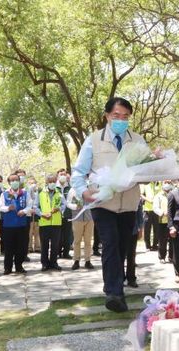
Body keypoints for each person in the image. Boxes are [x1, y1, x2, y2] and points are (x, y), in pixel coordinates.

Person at [71, 97, 147, 313]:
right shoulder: (93, 140)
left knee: (123, 245)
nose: (121, 120)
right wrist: (83, 191)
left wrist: (153, 168)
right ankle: (114, 293)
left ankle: (115, 287)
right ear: (107, 116)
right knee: (111, 242)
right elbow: (78, 171)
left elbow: (148, 168)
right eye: (116, 115)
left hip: (130, 202)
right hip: (102, 202)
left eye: (126, 117)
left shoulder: (138, 141)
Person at [0, 174, 32, 274]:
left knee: (21, 247)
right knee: (9, 248)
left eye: (16, 180)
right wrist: (8, 208)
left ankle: (19, 266)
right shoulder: (5, 194)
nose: (14, 182)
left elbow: (30, 205)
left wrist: (24, 211)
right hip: (8, 225)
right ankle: (7, 268)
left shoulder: (25, 193)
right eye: (12, 180)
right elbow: (0, 207)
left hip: (22, 225)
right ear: (9, 183)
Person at [36, 174, 64, 272]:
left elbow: (64, 204)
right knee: (44, 245)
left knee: (55, 245)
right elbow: (35, 207)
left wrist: (59, 208)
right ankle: (44, 263)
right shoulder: (41, 193)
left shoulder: (59, 193)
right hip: (44, 223)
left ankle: (54, 263)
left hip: (56, 223)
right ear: (47, 183)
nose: (52, 183)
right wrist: (42, 214)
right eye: (50, 181)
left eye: (54, 181)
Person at [66, 184, 94, 270]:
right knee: (77, 241)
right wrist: (75, 206)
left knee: (88, 241)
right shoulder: (73, 190)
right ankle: (76, 260)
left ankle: (87, 260)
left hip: (89, 218)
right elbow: (68, 203)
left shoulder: (90, 188)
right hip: (77, 218)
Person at [153, 180, 173, 263]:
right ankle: (162, 257)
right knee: (162, 240)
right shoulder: (158, 196)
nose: (167, 184)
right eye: (165, 182)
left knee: (173, 240)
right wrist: (162, 213)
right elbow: (155, 208)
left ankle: (171, 256)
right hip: (162, 221)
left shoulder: (173, 194)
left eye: (169, 182)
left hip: (172, 221)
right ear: (162, 184)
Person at [126, 199, 143, 288]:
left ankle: (131, 279)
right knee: (119, 256)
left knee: (131, 256)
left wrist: (140, 228)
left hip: (133, 230)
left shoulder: (136, 197)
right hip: (119, 230)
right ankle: (120, 279)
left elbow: (140, 214)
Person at [57, 168, 73, 259]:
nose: (62, 176)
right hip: (57, 215)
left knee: (67, 235)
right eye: (60, 174)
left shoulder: (70, 188)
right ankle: (57, 252)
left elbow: (74, 200)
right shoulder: (55, 187)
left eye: (64, 174)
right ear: (58, 176)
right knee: (58, 235)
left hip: (68, 214)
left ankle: (66, 253)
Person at [141, 182, 160, 251]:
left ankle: (155, 245)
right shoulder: (146, 184)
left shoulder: (159, 183)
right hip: (147, 209)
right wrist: (148, 200)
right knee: (147, 229)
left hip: (157, 210)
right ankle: (148, 246)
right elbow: (141, 194)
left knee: (157, 229)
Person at [27, 177, 41, 253]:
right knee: (29, 231)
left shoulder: (39, 192)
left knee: (37, 232)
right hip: (30, 213)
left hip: (37, 215)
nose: (33, 185)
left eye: (34, 183)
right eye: (31, 183)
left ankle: (38, 247)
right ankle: (29, 247)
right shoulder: (27, 192)